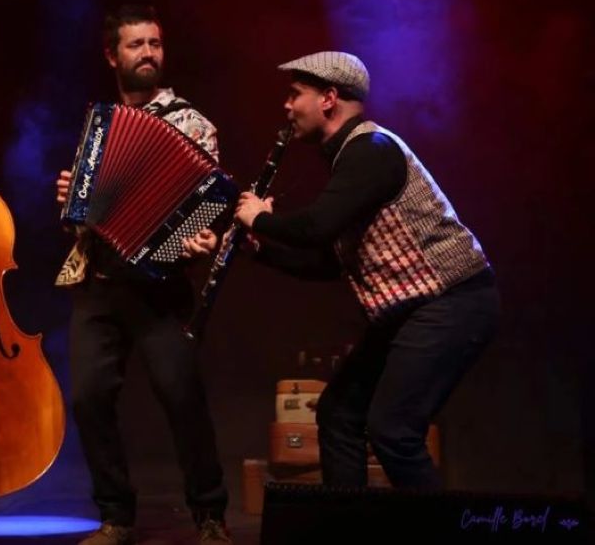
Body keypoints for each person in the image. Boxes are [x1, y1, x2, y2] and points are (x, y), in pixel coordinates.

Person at [188, 50, 500, 489]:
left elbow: (316, 227)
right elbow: (326, 262)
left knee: (395, 430)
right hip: (412, 312)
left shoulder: (371, 150)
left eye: (296, 94)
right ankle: (345, 527)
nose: (287, 106)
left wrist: (259, 217)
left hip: (452, 303)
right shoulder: (349, 160)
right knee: (339, 415)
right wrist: (257, 249)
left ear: (329, 98)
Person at [55, 5, 231, 545]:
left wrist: (201, 241)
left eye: (155, 43)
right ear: (113, 55)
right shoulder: (99, 124)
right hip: (99, 283)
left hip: (159, 286)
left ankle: (209, 515)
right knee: (86, 397)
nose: (149, 53)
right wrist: (72, 201)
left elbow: (208, 206)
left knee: (182, 397)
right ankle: (115, 515)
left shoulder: (193, 124)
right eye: (137, 45)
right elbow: (83, 214)